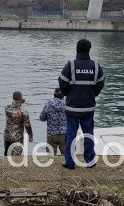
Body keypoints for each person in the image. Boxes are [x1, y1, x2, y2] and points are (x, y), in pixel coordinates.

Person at [58, 38, 105, 169]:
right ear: (89, 50)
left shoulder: (71, 64)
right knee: (88, 134)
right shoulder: (95, 65)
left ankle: (69, 162)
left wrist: (68, 93)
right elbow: (101, 83)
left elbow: (62, 82)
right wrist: (92, 94)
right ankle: (90, 160)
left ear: (77, 49)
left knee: (71, 134)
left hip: (72, 107)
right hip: (88, 107)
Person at [3, 91, 33, 157]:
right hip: (17, 138)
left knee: (7, 155)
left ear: (13, 98)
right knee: (15, 158)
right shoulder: (23, 111)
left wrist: (20, 102)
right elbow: (27, 125)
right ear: (21, 98)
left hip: (7, 136)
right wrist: (30, 136)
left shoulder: (7, 107)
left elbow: (14, 106)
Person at [39, 87, 67, 155]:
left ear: (54, 94)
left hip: (51, 134)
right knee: (66, 155)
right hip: (64, 134)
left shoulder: (48, 104)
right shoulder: (67, 104)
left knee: (51, 157)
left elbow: (42, 118)